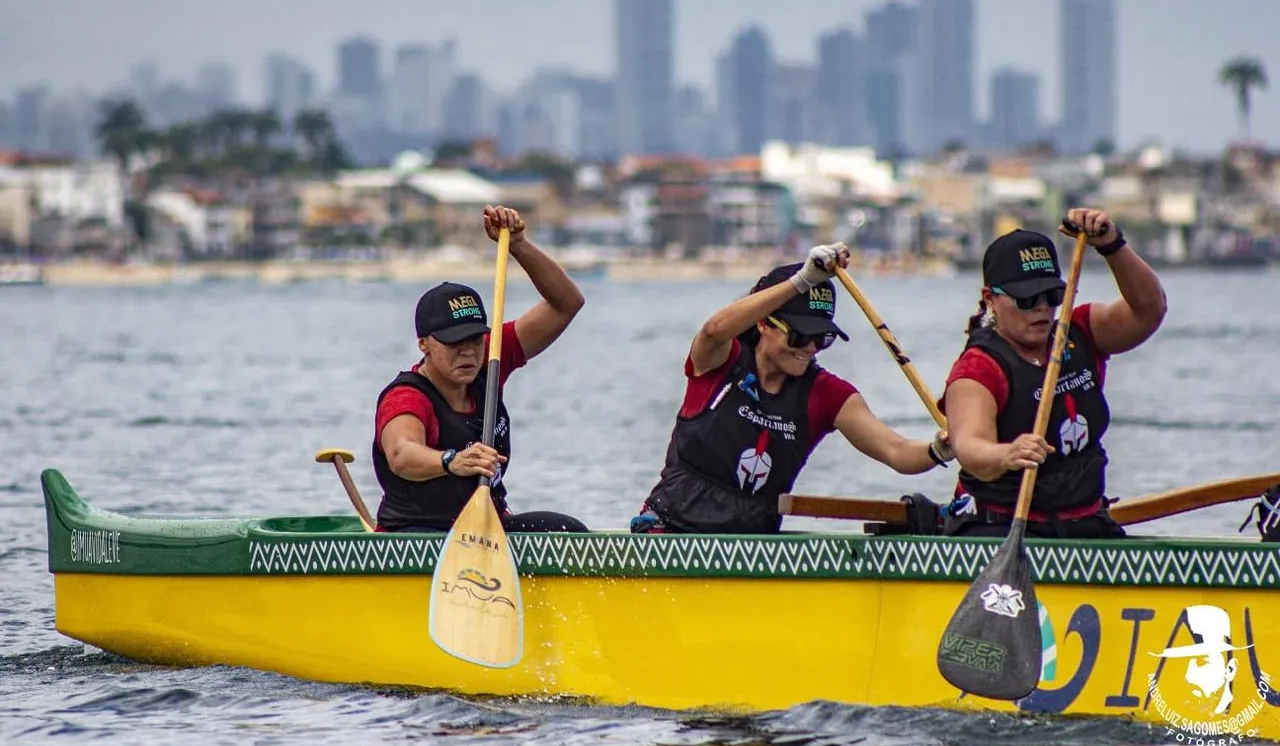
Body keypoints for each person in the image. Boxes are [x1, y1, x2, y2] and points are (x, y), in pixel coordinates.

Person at [632, 243, 953, 535]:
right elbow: (714, 330)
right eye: (800, 337)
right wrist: (801, 281)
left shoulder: (827, 395)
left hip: (753, 548)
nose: (811, 348)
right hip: (669, 532)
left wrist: (939, 449)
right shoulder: (721, 363)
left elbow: (896, 451)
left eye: (822, 339)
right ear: (763, 324)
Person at [940, 207, 1168, 539]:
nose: (1042, 307)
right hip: (999, 527)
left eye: (1052, 295)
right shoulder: (978, 368)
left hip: (1084, 521)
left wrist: (1112, 245)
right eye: (1026, 298)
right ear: (991, 299)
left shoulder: (1081, 333)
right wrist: (1007, 453)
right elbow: (971, 448)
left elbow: (1151, 309)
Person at [372, 204, 588, 533]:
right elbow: (402, 453)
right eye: (453, 343)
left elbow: (566, 304)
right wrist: (450, 461)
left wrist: (519, 246)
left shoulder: (491, 359)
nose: (468, 352)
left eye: (475, 340)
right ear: (424, 344)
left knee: (566, 530)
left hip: (486, 529)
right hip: (418, 535)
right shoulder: (407, 397)